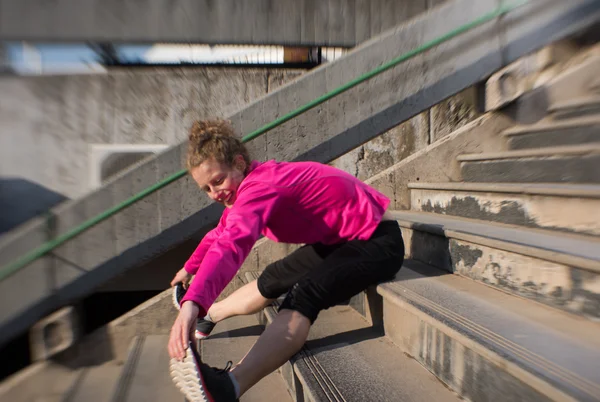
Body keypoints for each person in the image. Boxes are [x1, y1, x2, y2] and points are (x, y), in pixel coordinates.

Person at [168, 119, 405, 402]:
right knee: (274, 276)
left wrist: (192, 302)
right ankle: (209, 318)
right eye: (206, 189)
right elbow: (218, 235)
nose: (215, 194)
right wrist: (188, 270)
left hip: (378, 240)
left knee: (305, 292)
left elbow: (231, 245)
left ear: (240, 164)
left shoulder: (261, 186)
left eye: (218, 180)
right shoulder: (246, 190)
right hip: (341, 238)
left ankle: (229, 386)